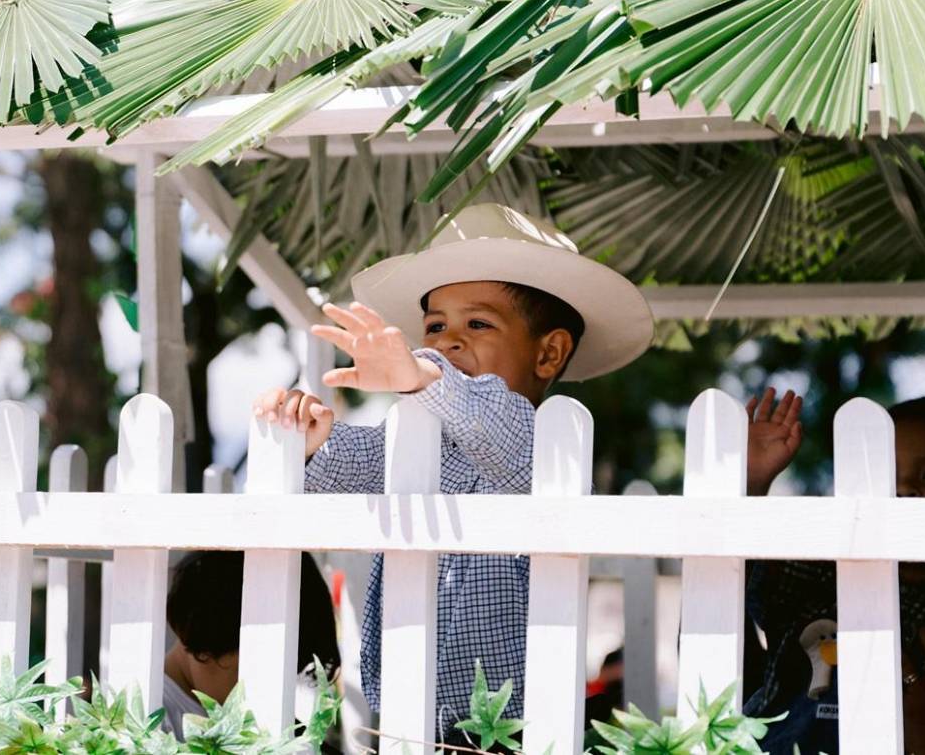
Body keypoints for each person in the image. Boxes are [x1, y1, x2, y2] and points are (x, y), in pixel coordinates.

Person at [253, 203, 654, 746]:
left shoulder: (537, 443)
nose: (448, 340)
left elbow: (493, 422)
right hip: (403, 722)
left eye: (478, 323)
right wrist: (312, 439)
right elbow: (347, 466)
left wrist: (422, 373)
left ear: (549, 354)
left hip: (510, 732)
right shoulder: (413, 442)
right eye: (435, 326)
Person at [744, 389, 925, 755]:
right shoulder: (821, 569)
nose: (905, 489)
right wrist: (751, 486)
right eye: (888, 475)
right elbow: (731, 580)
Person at [162, 550, 342, 742]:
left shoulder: (254, 721)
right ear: (207, 640)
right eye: (258, 669)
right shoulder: (153, 719)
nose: (268, 688)